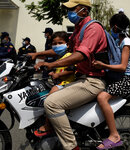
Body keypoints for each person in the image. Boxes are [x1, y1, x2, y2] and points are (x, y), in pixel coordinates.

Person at [30, 0, 107, 149]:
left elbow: (80, 55)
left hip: (93, 81)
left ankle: (71, 146)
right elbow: (63, 50)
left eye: (72, 9)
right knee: (48, 93)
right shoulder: (79, 29)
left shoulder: (93, 28)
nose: (69, 13)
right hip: (82, 79)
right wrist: (37, 54)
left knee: (51, 104)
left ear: (84, 11)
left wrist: (51, 64)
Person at [93, 13, 130, 149]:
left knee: (102, 97)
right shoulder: (120, 41)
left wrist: (103, 65)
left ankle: (114, 135)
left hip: (129, 79)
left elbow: (122, 66)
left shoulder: (126, 42)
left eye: (110, 27)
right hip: (123, 77)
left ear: (114, 27)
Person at [33, 31, 76, 137]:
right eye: (54, 44)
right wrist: (54, 73)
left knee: (50, 99)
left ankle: (48, 126)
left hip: (68, 83)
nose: (57, 46)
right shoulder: (61, 57)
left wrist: (58, 75)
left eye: (60, 43)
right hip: (61, 83)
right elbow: (61, 69)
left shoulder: (69, 55)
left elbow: (72, 70)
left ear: (68, 44)